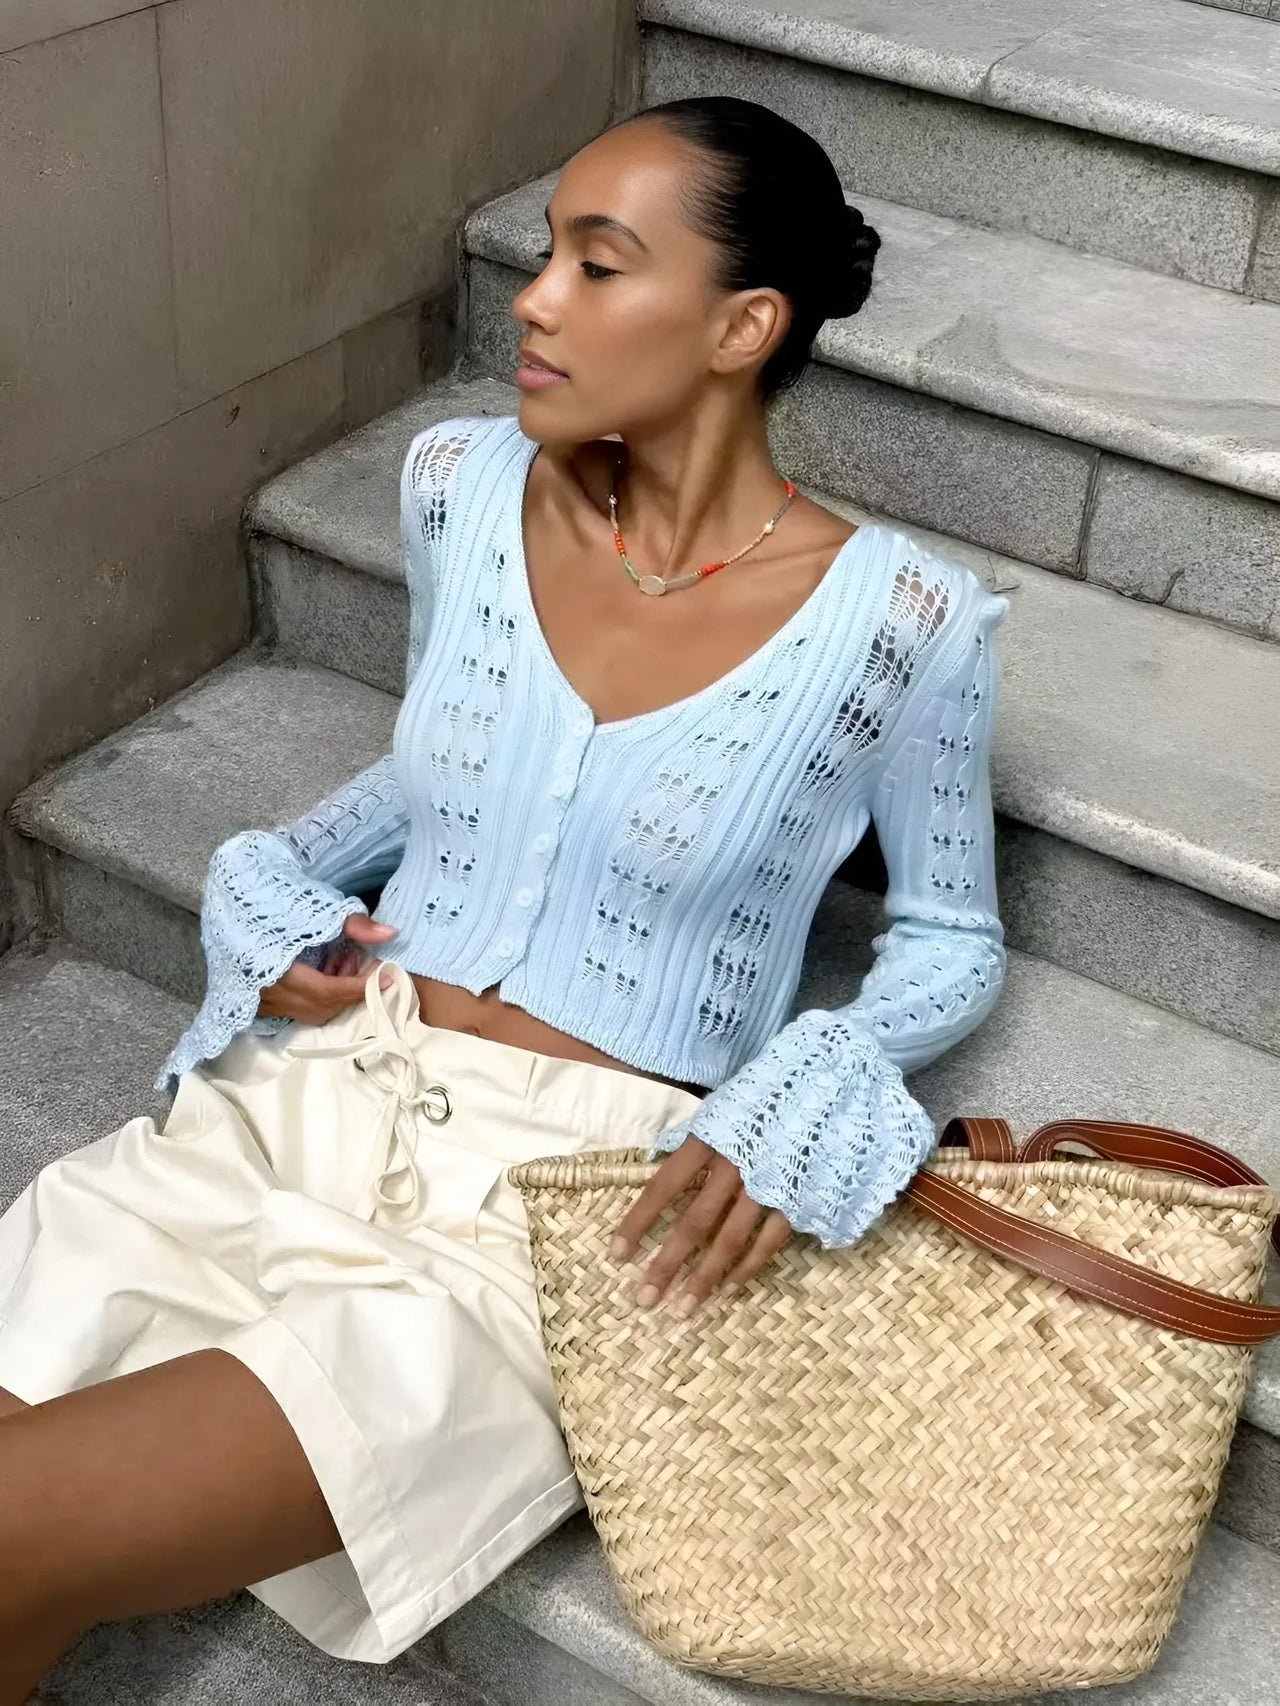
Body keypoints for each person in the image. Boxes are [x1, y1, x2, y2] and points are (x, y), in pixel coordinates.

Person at [0, 95, 1009, 1697]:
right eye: (547, 254)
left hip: (556, 1216)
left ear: (743, 323)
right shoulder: (461, 484)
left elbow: (949, 933)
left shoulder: (906, 619)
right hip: (305, 1100)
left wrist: (828, 1062)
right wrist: (271, 870)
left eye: (599, 267)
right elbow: (436, 774)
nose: (533, 299)